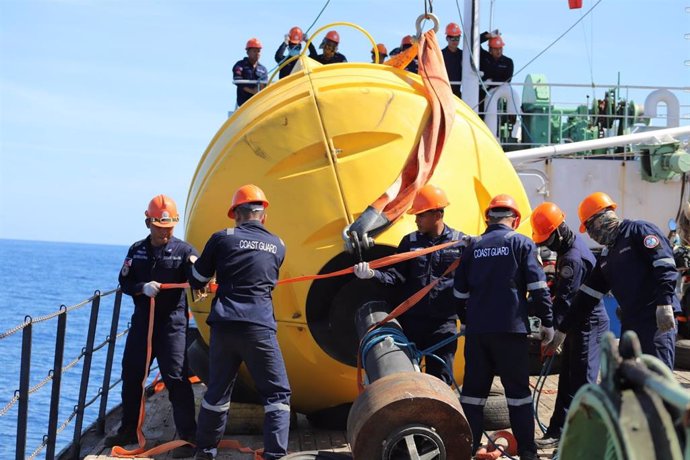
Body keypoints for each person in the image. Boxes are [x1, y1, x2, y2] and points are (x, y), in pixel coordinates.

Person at [190, 184, 290, 460]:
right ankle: (274, 455)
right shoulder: (278, 245)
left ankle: (206, 451)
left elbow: (197, 278)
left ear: (235, 214)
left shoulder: (223, 238)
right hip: (259, 327)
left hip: (225, 325)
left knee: (218, 391)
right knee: (277, 394)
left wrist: (205, 276)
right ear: (264, 216)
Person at [453, 194, 553, 460]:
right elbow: (538, 288)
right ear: (515, 219)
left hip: (477, 333)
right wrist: (548, 323)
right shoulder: (521, 244)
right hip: (511, 332)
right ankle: (528, 453)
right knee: (518, 396)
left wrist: (468, 319)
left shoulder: (473, 247)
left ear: (489, 218)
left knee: (473, 396)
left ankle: (469, 448)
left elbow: (459, 293)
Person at [105, 195, 198, 459]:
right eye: (160, 227)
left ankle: (187, 438)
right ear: (148, 222)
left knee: (177, 380)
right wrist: (141, 289)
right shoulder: (137, 250)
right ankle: (128, 431)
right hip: (142, 325)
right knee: (132, 376)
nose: (165, 232)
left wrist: (201, 278)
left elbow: (197, 275)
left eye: (169, 228)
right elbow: (124, 283)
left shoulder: (185, 251)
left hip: (172, 327)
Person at [353, 184, 472, 384]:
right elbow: (395, 277)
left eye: (420, 215)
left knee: (441, 380)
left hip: (443, 325)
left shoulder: (461, 243)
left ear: (437, 214)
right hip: (412, 322)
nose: (416, 220)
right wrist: (372, 274)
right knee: (407, 378)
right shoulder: (410, 242)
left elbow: (472, 283)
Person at [530, 202, 609, 449]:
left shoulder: (573, 258)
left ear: (560, 230)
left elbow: (564, 301)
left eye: (548, 239)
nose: (547, 245)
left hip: (588, 324)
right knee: (567, 380)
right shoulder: (568, 248)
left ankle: (589, 440)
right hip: (577, 323)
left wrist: (553, 335)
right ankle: (559, 431)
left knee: (582, 383)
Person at [572, 192, 679, 368]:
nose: (591, 235)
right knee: (629, 378)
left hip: (655, 319)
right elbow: (588, 293)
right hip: (631, 322)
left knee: (658, 377)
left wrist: (665, 303)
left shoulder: (639, 231)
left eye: (590, 228)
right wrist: (562, 329)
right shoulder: (608, 254)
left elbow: (664, 264)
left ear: (601, 219)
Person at [478, 32, 514, 114]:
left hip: (499, 97)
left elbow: (507, 79)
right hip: (482, 95)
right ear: (490, 49)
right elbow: (475, 41)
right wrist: (489, 35)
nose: (498, 51)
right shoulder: (484, 57)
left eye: (500, 48)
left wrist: (491, 82)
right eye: (495, 48)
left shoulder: (508, 62)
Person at [233, 38, 268, 107]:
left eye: (258, 51)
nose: (257, 54)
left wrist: (258, 91)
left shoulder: (263, 69)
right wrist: (253, 91)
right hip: (244, 104)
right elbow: (238, 81)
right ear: (248, 52)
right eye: (254, 51)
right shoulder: (240, 65)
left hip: (258, 104)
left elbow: (264, 85)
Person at [441, 22, 463, 98]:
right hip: (443, 92)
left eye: (457, 38)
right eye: (452, 38)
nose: (455, 41)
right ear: (447, 38)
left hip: (457, 93)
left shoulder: (463, 55)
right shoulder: (440, 54)